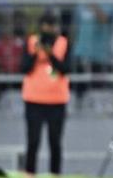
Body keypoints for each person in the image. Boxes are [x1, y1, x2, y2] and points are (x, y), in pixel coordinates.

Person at [20, 13, 71, 178]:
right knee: (33, 142)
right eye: (47, 25)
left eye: (53, 25)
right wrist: (35, 52)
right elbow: (24, 67)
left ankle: (55, 174)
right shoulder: (31, 42)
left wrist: (50, 54)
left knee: (55, 143)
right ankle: (30, 174)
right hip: (34, 100)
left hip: (57, 101)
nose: (50, 29)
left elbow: (65, 68)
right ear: (41, 27)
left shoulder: (64, 42)